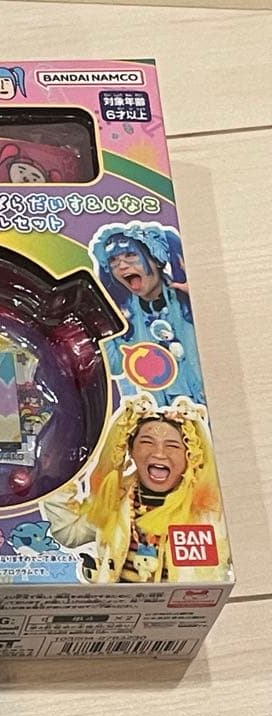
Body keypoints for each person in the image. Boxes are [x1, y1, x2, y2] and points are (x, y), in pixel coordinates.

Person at [45, 394, 228, 583]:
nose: (159, 453)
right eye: (147, 442)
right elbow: (70, 533)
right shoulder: (115, 499)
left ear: (190, 454)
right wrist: (58, 475)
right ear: (131, 450)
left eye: (172, 446)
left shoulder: (208, 510)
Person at [92, 223, 204, 405]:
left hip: (202, 402)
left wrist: (201, 298)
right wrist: (102, 325)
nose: (121, 266)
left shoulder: (185, 301)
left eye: (130, 255)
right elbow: (115, 366)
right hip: (155, 409)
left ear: (157, 259)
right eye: (113, 260)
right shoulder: (122, 316)